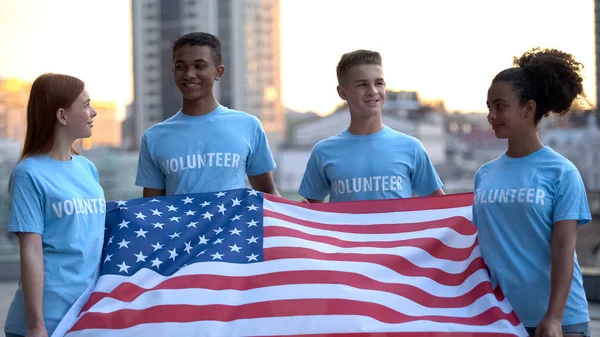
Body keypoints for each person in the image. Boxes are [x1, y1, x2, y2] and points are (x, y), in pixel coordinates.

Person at [473, 48, 591, 337]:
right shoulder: (484, 175)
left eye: (500, 106)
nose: (491, 115)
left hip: (557, 322)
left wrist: (553, 317)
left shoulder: (561, 172)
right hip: (499, 319)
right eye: (489, 106)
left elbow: (564, 248)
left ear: (528, 108)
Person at [4, 74, 105, 337]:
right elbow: (31, 252)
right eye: (85, 105)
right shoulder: (29, 174)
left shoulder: (87, 168)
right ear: (61, 115)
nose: (93, 112)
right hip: (47, 319)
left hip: (86, 312)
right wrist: (36, 325)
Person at [135, 32, 279, 197]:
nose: (189, 74)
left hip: (233, 224)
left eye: (199, 66)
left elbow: (268, 192)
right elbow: (151, 208)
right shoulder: (154, 137)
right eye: (181, 67)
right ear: (173, 71)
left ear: (219, 72)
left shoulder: (248, 125)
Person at [298, 49, 444, 203]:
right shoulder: (323, 152)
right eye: (362, 85)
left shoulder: (412, 148)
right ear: (342, 92)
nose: (373, 91)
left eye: (379, 83)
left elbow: (442, 208)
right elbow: (312, 214)